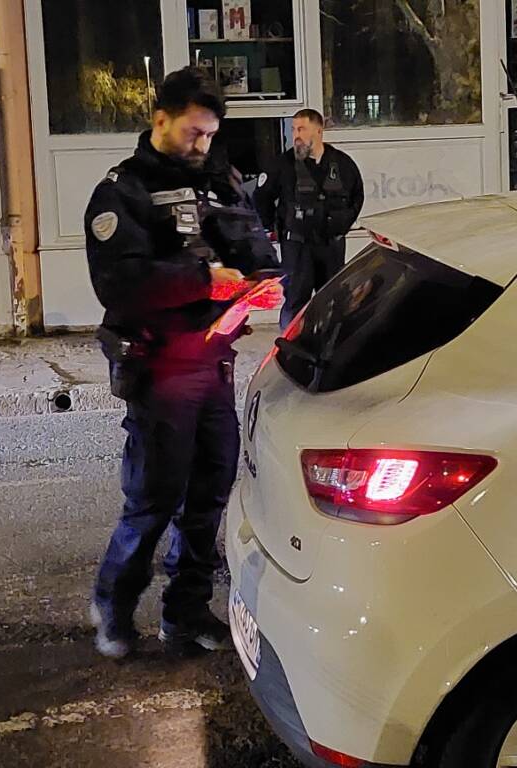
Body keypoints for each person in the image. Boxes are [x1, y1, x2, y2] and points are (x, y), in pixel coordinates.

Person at [84, 66, 280, 659]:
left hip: (213, 361)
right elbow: (121, 283)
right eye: (194, 132)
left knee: (209, 498)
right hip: (160, 367)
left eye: (211, 134)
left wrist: (260, 280)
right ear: (160, 120)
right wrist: (204, 280)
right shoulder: (124, 192)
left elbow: (253, 244)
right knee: (153, 500)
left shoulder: (220, 180)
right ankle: (113, 608)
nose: (203, 145)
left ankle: (186, 613)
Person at [255, 109, 364, 329]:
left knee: (334, 300)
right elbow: (261, 198)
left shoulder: (342, 164)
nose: (296, 135)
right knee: (295, 302)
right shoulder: (283, 164)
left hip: (331, 247)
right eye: (294, 129)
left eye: (302, 129)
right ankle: (290, 343)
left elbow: (356, 197)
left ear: (319, 131)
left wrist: (341, 225)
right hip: (297, 247)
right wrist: (273, 227)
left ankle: (330, 343)